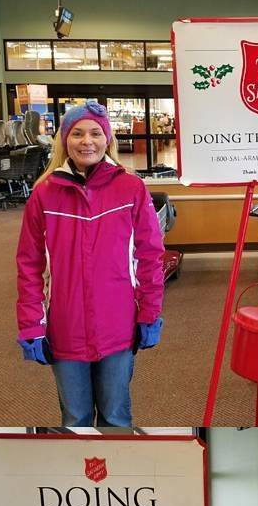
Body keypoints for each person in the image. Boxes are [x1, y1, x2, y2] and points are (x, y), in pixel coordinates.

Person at [15, 100, 164, 428]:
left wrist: (150, 313)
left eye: (96, 133)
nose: (87, 141)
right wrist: (31, 324)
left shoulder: (131, 188)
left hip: (118, 326)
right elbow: (29, 265)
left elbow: (150, 256)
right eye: (78, 133)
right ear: (65, 139)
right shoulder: (44, 195)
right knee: (76, 419)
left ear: (107, 138)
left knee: (116, 417)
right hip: (65, 327)